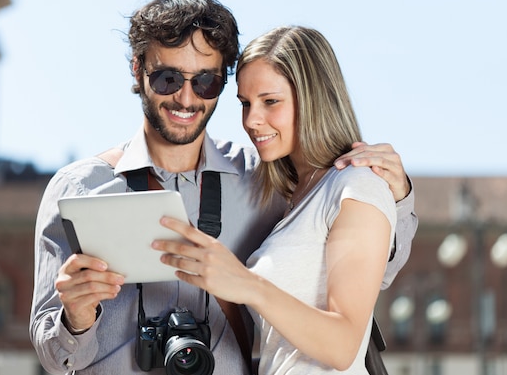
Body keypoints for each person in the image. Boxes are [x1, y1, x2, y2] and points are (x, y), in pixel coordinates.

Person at [30, 0, 417, 375]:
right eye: (167, 79)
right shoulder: (79, 189)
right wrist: (75, 319)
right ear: (138, 69)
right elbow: (53, 356)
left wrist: (397, 197)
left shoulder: (266, 179)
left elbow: (367, 275)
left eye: (205, 82)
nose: (186, 98)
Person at [153, 26, 398, 374]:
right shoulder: (294, 195)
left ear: (314, 98)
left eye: (270, 102)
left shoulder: (356, 185)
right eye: (245, 104)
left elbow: (344, 344)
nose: (252, 120)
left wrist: (247, 284)